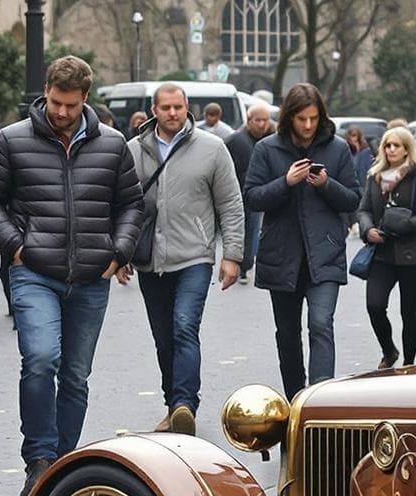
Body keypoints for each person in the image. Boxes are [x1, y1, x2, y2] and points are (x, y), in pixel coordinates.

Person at [0, 55, 143, 496]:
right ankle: (40, 458)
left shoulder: (112, 144)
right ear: (45, 92)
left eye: (70, 104)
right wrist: (16, 245)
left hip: (92, 274)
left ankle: (63, 465)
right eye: (54, 102)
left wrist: (119, 251)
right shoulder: (12, 140)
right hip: (34, 271)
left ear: (85, 98)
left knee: (75, 375)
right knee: (41, 359)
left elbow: (131, 204)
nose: (61, 112)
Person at [125, 83, 245, 433]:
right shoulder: (134, 151)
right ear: (154, 110)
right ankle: (172, 404)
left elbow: (231, 204)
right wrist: (122, 254)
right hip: (150, 259)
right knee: (163, 338)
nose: (173, 113)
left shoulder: (212, 148)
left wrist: (232, 255)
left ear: (187, 107)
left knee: (183, 327)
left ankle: (184, 403)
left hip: (195, 255)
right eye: (166, 108)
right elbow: (123, 206)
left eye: (178, 107)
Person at [244, 81, 360, 397]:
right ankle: (296, 398)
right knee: (288, 334)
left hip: (324, 255)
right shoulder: (267, 149)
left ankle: (319, 399)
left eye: (313, 118)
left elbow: (353, 199)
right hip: (282, 256)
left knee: (321, 324)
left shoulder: (337, 148)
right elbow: (252, 197)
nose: (308, 126)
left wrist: (326, 184)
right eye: (301, 119)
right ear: (289, 118)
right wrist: (285, 182)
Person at [356, 125, 416, 368]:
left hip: (413, 254)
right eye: (387, 145)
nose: (391, 149)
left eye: (396, 145)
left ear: (406, 149)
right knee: (375, 305)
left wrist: (408, 224)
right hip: (382, 253)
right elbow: (363, 209)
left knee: (408, 312)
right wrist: (367, 229)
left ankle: (409, 363)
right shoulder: (375, 175)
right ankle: (389, 350)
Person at [229, 99, 274, 262]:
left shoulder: (273, 140)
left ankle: (246, 263)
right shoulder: (236, 140)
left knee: (253, 229)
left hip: (262, 193)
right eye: (258, 120)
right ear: (249, 121)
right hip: (237, 194)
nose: (262, 124)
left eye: (265, 120)